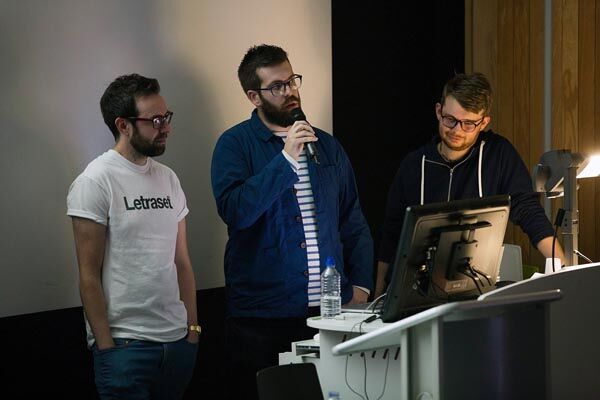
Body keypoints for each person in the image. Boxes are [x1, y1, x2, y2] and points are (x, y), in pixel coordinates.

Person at [211, 44, 373, 400]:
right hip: (262, 318)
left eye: (292, 81)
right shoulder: (234, 145)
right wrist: (286, 159)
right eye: (277, 86)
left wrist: (361, 287)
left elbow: (353, 220)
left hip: (328, 312)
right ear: (254, 96)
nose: (290, 91)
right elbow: (236, 211)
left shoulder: (326, 145)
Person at [67, 74, 199, 399]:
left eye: (166, 117)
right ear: (123, 125)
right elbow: (88, 276)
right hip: (126, 347)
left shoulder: (168, 179)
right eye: (155, 120)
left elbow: (181, 261)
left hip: (177, 343)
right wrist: (107, 346)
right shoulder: (95, 181)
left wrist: (192, 329)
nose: (165, 127)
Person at [375, 72, 565, 297]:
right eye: (450, 120)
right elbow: (391, 235)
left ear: (483, 123)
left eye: (468, 124)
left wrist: (562, 270)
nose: (457, 130)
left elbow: (528, 210)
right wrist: (379, 296)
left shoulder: (498, 154)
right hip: (417, 292)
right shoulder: (414, 165)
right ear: (438, 111)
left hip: (475, 287)